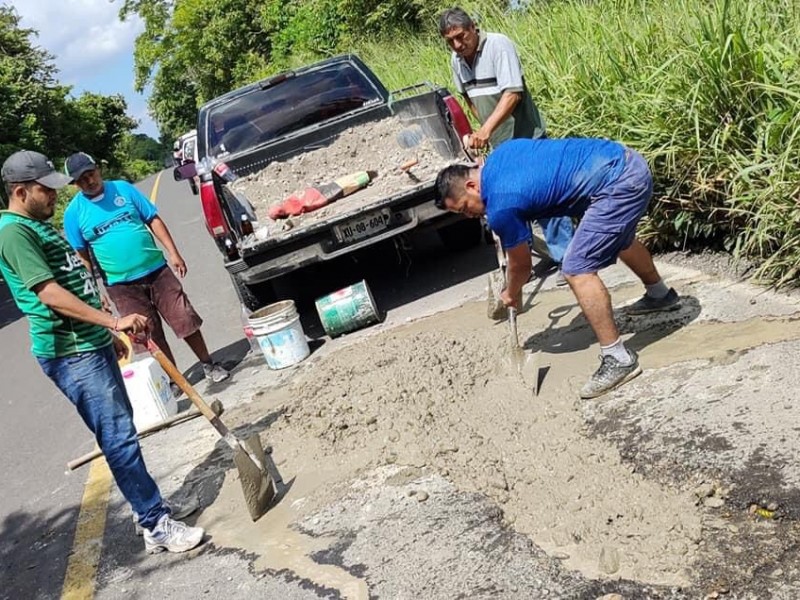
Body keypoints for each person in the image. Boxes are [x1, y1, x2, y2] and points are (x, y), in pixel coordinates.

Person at [0, 150, 204, 553]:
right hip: (70, 352)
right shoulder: (13, 232)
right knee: (119, 437)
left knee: (121, 430)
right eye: (46, 191)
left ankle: (147, 507)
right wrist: (113, 321)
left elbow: (72, 280)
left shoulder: (34, 224)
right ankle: (155, 524)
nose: (55, 197)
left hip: (87, 343)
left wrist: (103, 333)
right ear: (21, 191)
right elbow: (49, 293)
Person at [434, 138, 681, 399]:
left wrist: (511, 292)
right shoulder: (499, 156)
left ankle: (618, 358)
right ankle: (660, 295)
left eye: (464, 208)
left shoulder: (501, 206)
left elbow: (521, 266)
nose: (468, 216)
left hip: (618, 184)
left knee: (575, 268)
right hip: (628, 162)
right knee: (616, 235)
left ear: (472, 185)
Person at [61, 152, 230, 386]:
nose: (89, 181)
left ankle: (208, 363)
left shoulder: (123, 189)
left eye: (91, 174)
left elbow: (153, 219)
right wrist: (93, 292)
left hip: (157, 271)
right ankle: (175, 381)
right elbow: (83, 256)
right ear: (74, 184)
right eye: (81, 180)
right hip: (120, 285)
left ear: (98, 169)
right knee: (146, 332)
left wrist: (173, 252)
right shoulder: (73, 214)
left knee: (183, 318)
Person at [439, 7, 573, 282]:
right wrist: (484, 136)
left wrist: (487, 130)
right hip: (499, 146)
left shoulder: (498, 45)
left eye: (461, 37)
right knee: (510, 205)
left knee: (545, 199)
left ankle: (568, 260)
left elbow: (513, 94)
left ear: (474, 27)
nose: (457, 45)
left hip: (525, 139)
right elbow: (470, 100)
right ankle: (522, 267)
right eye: (449, 41)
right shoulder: (456, 60)